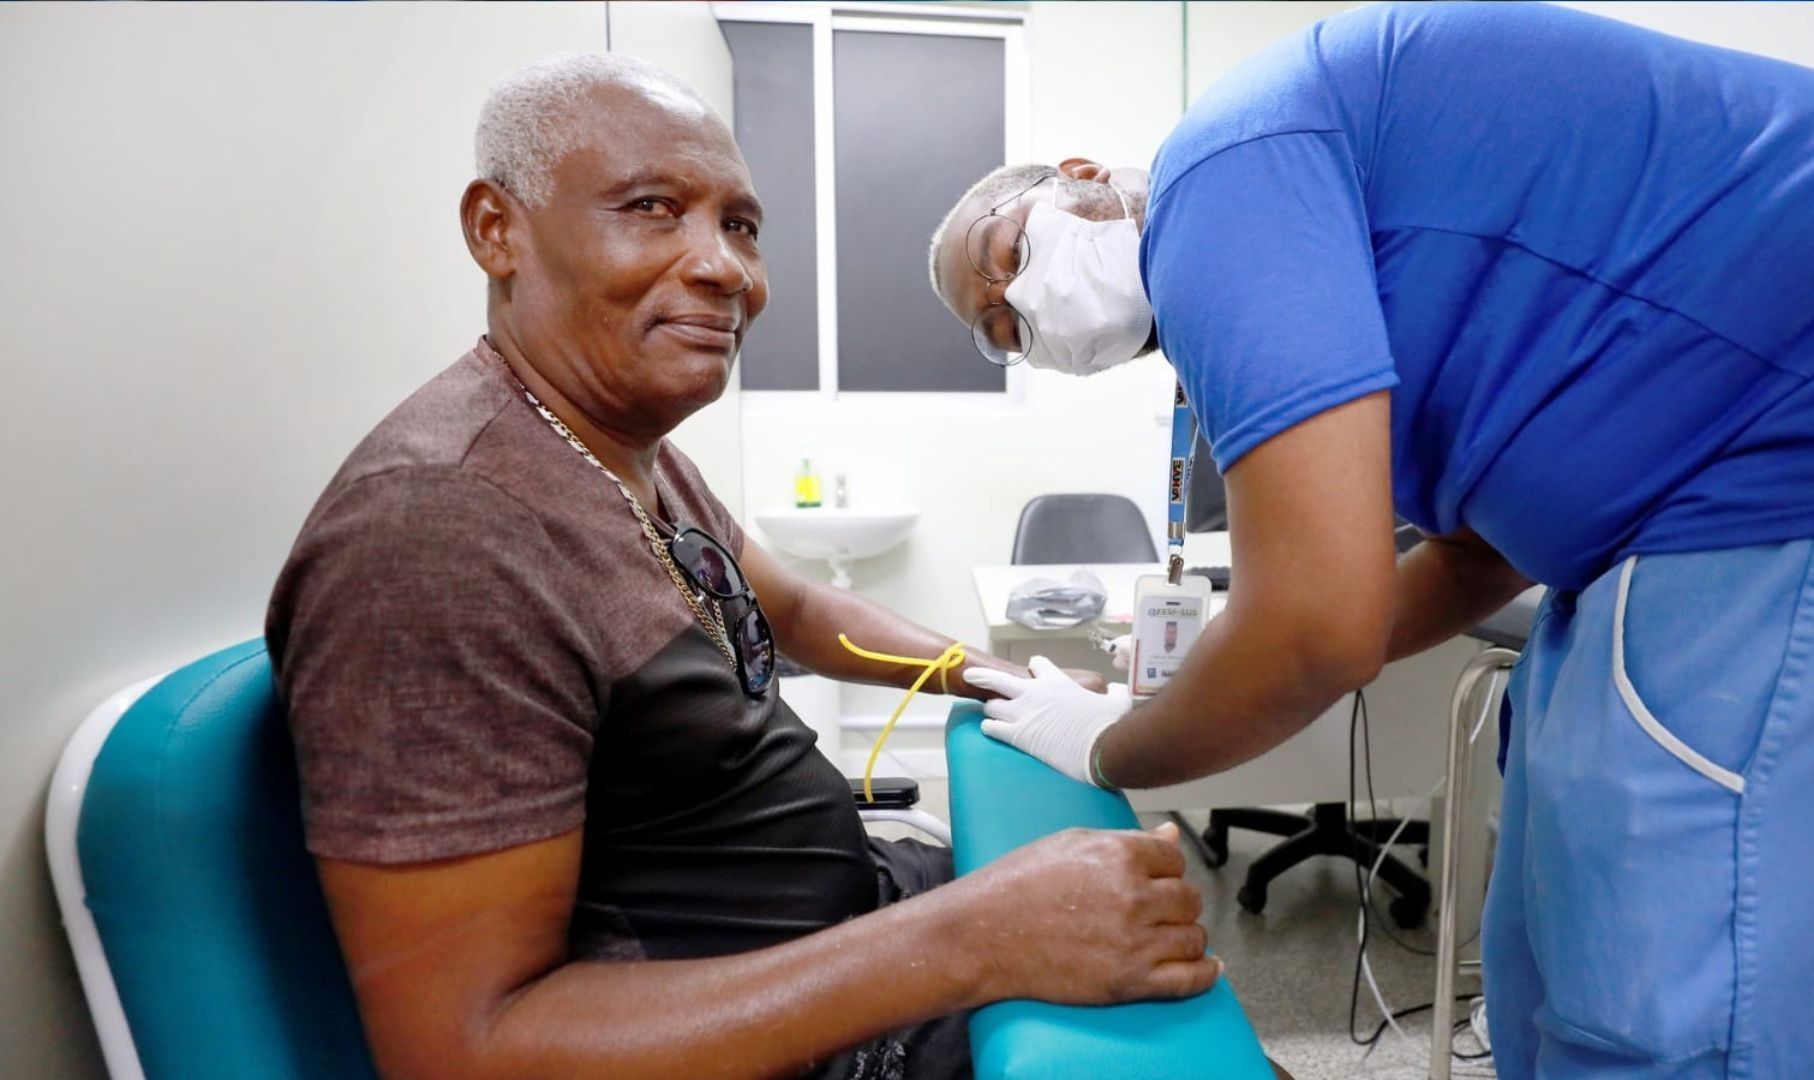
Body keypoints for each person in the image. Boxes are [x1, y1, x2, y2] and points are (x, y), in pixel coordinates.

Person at [932, 3, 1814, 1077]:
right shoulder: (1310, 276)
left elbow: (1318, 624)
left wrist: (1111, 740)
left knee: (1686, 1007)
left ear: (1078, 176)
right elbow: (1472, 552)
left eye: (1009, 258)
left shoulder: (1217, 178)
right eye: (1006, 332)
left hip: (1801, 459)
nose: (1026, 308)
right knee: (1548, 967)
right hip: (1640, 532)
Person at [266, 54, 1220, 1080]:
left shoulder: (619, 450)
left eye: (741, 225)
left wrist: (990, 678)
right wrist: (973, 939)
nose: (724, 267)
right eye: (651, 207)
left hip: (838, 928)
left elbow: (803, 608)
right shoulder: (440, 532)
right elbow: (467, 1048)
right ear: (498, 230)